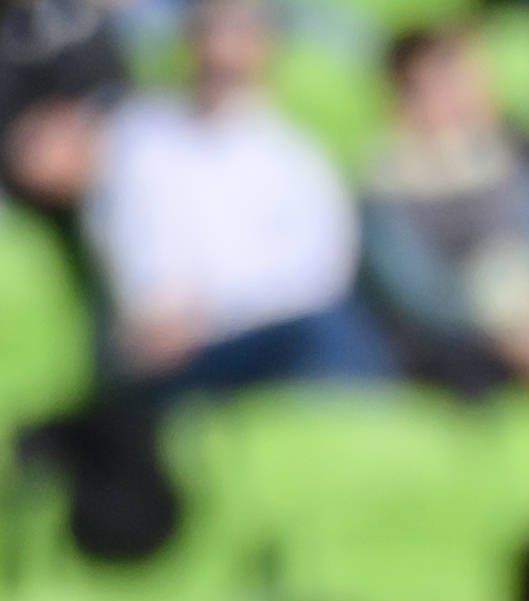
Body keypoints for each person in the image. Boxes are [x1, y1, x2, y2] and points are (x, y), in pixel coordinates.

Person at [88, 0, 378, 393]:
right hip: (176, 353)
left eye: (241, 33)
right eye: (211, 31)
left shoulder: (297, 156)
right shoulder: (138, 135)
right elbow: (139, 262)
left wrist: (219, 308)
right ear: (187, 39)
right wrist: (170, 314)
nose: (222, 51)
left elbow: (320, 274)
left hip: (261, 335)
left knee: (336, 333)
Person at [355, 0, 529, 391]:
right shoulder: (383, 190)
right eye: (440, 83)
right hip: (454, 352)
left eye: (466, 79)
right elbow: (419, 297)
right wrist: (514, 338)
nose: (460, 97)